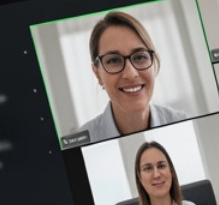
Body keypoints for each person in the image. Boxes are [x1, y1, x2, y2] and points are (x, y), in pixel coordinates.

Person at [77, 11, 189, 142]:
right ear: (98, 74)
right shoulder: (82, 141)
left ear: (154, 63)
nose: (130, 74)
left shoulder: (182, 124)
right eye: (113, 60)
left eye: (140, 57)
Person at [120, 140, 205, 205]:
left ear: (171, 171)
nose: (156, 175)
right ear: (139, 177)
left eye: (161, 166)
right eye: (148, 169)